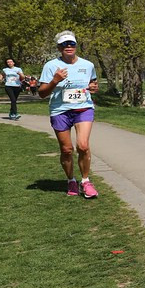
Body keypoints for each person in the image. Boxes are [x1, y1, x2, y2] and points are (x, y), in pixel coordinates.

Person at [39, 30, 100, 198]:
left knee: (83, 146)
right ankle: (71, 180)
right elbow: (42, 93)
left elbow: (93, 83)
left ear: (76, 46)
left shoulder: (88, 65)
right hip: (60, 110)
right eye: (65, 44)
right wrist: (55, 80)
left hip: (83, 108)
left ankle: (86, 182)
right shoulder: (51, 66)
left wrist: (94, 88)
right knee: (66, 150)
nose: (68, 47)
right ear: (59, 48)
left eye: (71, 43)